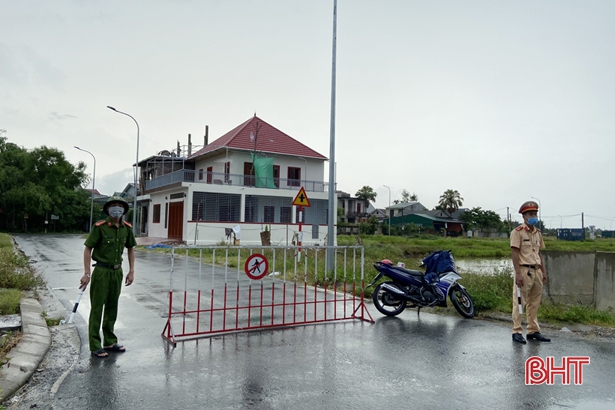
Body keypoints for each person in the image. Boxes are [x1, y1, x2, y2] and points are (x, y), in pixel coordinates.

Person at [80, 196, 137, 358]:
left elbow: (131, 249)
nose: (117, 208)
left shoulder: (126, 228)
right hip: (101, 271)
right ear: (107, 209)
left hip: (117, 272)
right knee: (97, 307)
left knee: (112, 306)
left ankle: (110, 341)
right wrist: (86, 273)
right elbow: (87, 249)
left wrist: (131, 271)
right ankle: (95, 344)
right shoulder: (100, 227)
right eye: (113, 205)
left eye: (120, 206)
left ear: (124, 210)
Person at [510, 200, 550, 344]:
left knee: (535, 302)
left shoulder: (538, 233)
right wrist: (518, 273)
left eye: (535, 213)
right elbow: (514, 253)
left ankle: (533, 330)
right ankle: (517, 330)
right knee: (520, 302)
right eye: (531, 214)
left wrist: (543, 272)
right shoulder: (517, 232)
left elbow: (539, 254)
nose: (534, 216)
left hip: (536, 271)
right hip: (524, 270)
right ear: (524, 216)